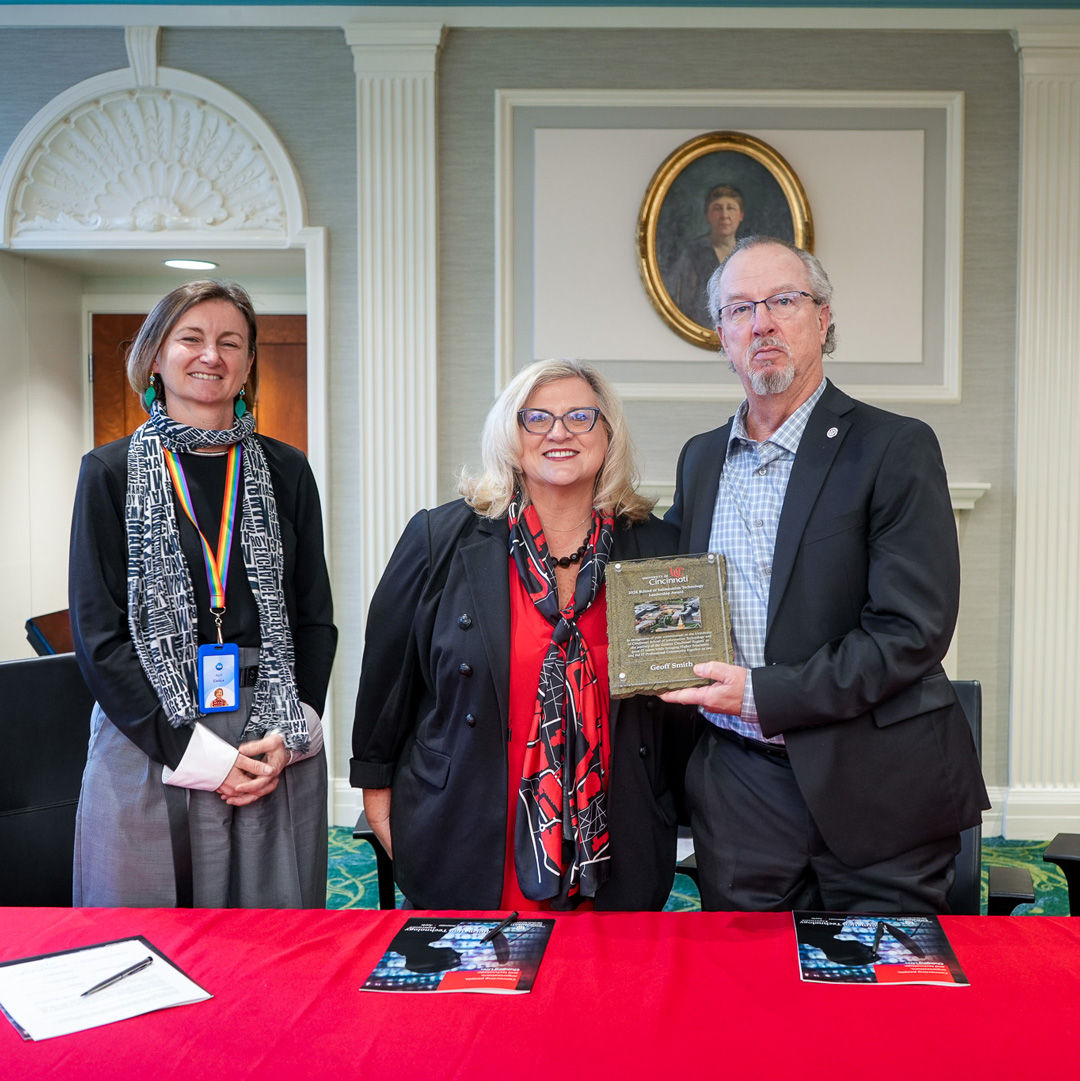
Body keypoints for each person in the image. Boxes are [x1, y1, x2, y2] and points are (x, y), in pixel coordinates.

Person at [661, 236, 989, 913]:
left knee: (879, 980)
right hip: (741, 795)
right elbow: (667, 592)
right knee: (747, 981)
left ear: (823, 318)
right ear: (722, 335)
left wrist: (763, 693)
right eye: (741, 308)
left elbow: (911, 632)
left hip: (878, 783)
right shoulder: (700, 460)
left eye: (783, 300)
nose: (762, 323)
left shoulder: (894, 447)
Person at [351, 359, 696, 910]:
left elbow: (681, 707)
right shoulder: (440, 538)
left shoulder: (659, 550)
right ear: (510, 436)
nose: (559, 432)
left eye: (580, 417)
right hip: (465, 828)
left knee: (599, 966)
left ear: (608, 435)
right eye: (536, 418)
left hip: (616, 839)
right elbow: (387, 682)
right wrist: (376, 796)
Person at [69, 280, 336, 908]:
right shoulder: (108, 472)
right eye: (190, 338)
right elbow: (98, 636)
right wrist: (189, 751)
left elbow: (315, 618)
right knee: (147, 936)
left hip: (268, 736)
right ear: (155, 357)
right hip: (151, 732)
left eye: (230, 342)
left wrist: (292, 727)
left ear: (248, 364)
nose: (211, 355)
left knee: (271, 937)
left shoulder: (287, 469)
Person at [669, 184, 746, 328]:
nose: (724, 215)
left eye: (730, 208)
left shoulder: (747, 254)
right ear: (708, 215)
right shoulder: (693, 252)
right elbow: (685, 302)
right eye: (717, 208)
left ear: (741, 215)